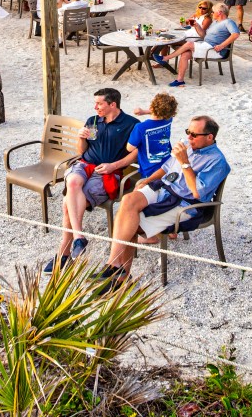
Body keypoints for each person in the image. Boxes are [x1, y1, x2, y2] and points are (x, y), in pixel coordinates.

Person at [95, 116, 230, 287]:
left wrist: (185, 163)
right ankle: (114, 265)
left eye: (194, 135)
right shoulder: (188, 147)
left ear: (210, 137)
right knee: (128, 200)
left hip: (185, 204)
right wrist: (147, 180)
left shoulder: (218, 161)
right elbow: (165, 168)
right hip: (163, 189)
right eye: (188, 132)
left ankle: (121, 277)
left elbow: (197, 192)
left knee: (133, 224)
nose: (189, 137)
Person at [47, 89, 139, 270]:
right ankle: (79, 237)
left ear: (112, 104)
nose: (95, 107)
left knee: (67, 203)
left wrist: (113, 166)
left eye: (99, 104)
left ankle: (64, 253)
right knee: (72, 182)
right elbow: (82, 151)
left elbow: (136, 153)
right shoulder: (93, 120)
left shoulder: (132, 124)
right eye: (95, 103)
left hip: (106, 172)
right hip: (84, 164)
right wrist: (80, 138)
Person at [155, 3, 240, 87]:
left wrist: (221, 45)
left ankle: (165, 58)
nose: (211, 13)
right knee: (185, 54)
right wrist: (197, 26)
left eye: (213, 12)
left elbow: (235, 34)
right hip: (205, 45)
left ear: (220, 12)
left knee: (189, 44)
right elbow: (204, 36)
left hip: (214, 50)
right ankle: (180, 80)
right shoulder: (215, 22)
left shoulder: (228, 22)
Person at [128, 93, 179, 181]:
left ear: (152, 106)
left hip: (149, 170)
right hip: (168, 164)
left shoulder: (140, 127)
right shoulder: (169, 119)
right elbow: (161, 112)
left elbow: (130, 148)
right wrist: (144, 112)